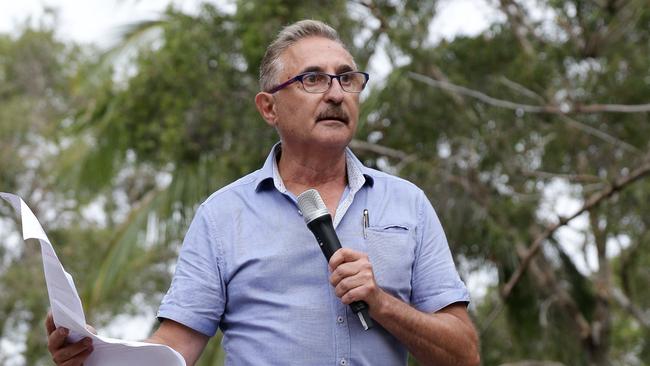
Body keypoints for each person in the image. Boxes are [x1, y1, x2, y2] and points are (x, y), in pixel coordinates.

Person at [46, 19, 480, 366]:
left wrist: (382, 303)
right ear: (269, 107)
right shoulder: (222, 215)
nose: (334, 93)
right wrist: (98, 357)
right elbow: (176, 346)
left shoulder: (407, 203)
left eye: (346, 78)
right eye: (312, 79)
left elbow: (464, 353)